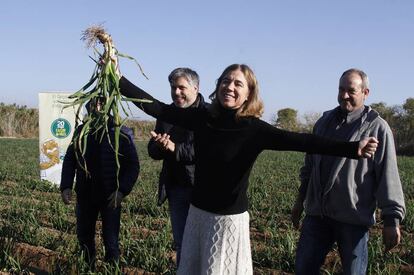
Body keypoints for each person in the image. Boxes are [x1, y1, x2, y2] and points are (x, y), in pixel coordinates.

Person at [117, 63, 378, 274]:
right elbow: (156, 107)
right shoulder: (203, 118)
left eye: (238, 83)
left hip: (228, 221)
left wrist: (352, 148)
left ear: (249, 93)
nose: (229, 87)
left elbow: (302, 141)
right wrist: (119, 79)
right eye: (225, 81)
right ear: (217, 86)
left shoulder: (254, 129)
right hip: (198, 215)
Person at [291, 68, 406, 275]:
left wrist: (392, 220)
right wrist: (300, 201)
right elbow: (309, 167)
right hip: (317, 216)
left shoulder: (377, 128)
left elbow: (387, 176)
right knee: (303, 269)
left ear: (365, 93)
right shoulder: (324, 123)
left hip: (353, 219)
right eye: (341, 89)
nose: (344, 95)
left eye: (351, 91)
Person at [60, 97, 140, 268]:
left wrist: (122, 191)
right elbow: (69, 159)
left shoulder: (120, 132)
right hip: (85, 194)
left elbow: (133, 165)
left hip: (110, 196)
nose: (96, 107)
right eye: (93, 104)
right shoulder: (81, 131)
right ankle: (87, 268)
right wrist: (66, 185)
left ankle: (112, 270)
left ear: (108, 107)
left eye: (101, 104)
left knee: (111, 240)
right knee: (84, 237)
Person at [147, 67, 207, 267]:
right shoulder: (166, 114)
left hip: (201, 189)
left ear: (196, 88)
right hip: (176, 189)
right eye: (173, 88)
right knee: (182, 244)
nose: (176, 92)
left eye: (182, 87)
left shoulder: (207, 115)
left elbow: (205, 150)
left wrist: (174, 148)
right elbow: (153, 152)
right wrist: (159, 146)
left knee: (204, 245)